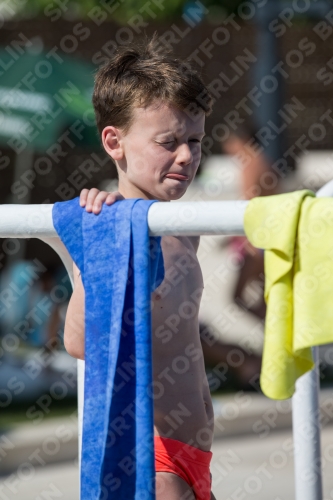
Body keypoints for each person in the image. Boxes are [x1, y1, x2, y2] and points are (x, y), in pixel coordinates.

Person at [64, 34, 216, 500]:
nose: (187, 156)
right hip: (151, 454)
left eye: (195, 140)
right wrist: (102, 250)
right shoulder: (104, 227)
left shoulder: (183, 226)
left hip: (194, 455)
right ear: (115, 142)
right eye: (169, 142)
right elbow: (79, 340)